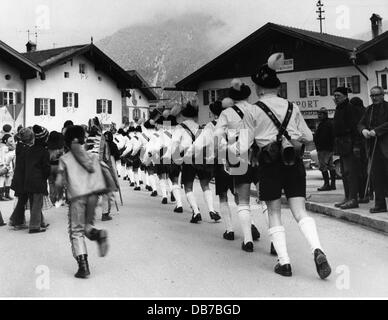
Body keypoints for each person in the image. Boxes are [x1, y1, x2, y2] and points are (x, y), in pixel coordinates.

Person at [250, 53, 331, 278]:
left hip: (269, 163)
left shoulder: (254, 110)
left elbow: (244, 141)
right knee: (300, 211)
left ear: (259, 88)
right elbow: (306, 136)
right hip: (293, 160)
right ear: (276, 87)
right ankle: (317, 248)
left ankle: (284, 263)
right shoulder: (292, 107)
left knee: (274, 211)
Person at [56, 125, 109, 279]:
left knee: (76, 231)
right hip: (93, 197)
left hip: (77, 198)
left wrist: (58, 196)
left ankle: (83, 267)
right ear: (83, 139)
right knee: (86, 226)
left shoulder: (64, 159)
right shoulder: (92, 156)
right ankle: (97, 234)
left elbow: (59, 182)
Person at [214, 80, 261, 252]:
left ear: (232, 98)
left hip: (238, 156)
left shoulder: (227, 113)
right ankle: (274, 242)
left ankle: (247, 240)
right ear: (248, 95)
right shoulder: (256, 109)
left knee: (242, 199)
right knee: (267, 200)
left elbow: (217, 136)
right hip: (260, 154)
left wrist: (225, 150)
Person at [171, 102, 220, 223]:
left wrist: (176, 158)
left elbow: (175, 144)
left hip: (188, 158)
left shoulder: (179, 128)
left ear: (183, 115)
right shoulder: (200, 127)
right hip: (201, 158)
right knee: (205, 185)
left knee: (188, 187)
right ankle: (212, 210)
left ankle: (196, 212)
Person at [358, 86, 388, 213]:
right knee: (377, 177)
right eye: (372, 96)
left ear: (383, 95)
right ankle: (380, 204)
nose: (374, 98)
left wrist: (377, 131)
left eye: (377, 95)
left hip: (386, 146)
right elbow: (360, 123)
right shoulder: (368, 109)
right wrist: (363, 130)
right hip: (373, 148)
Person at [333, 87, 362, 209]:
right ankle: (347, 197)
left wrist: (356, 145)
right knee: (344, 173)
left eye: (338, 95)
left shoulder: (350, 109)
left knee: (351, 173)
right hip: (341, 143)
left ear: (345, 96)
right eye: (334, 96)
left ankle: (353, 199)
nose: (335, 98)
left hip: (349, 143)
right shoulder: (339, 108)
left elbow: (356, 128)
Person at [24, 125, 51, 234]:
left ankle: (41, 222)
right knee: (37, 203)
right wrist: (46, 176)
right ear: (45, 139)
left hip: (28, 180)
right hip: (38, 180)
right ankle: (34, 226)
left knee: (34, 202)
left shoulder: (30, 150)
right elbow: (46, 168)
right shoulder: (44, 152)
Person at [9, 127, 35, 229]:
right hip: (24, 178)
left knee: (22, 200)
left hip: (19, 177)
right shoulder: (27, 149)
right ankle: (16, 221)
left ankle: (15, 220)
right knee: (22, 201)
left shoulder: (19, 146)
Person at [349, 97, 369, 203]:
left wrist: (356, 145)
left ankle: (362, 194)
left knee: (359, 171)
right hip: (367, 143)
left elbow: (357, 130)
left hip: (360, 145)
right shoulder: (366, 111)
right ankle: (367, 193)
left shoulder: (356, 113)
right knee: (366, 170)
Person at [313, 107, 336, 191]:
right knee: (331, 166)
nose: (319, 116)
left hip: (324, 148)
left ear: (325, 115)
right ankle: (332, 185)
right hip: (329, 148)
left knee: (323, 166)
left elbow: (324, 137)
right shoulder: (328, 123)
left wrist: (319, 145)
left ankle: (326, 185)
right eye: (318, 114)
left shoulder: (325, 124)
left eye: (321, 114)